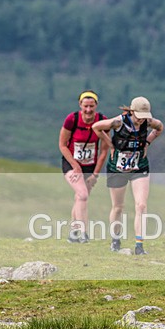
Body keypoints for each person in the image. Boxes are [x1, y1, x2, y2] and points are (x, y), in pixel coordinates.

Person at [93, 96, 164, 255]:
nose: (141, 120)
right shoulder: (118, 122)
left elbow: (159, 128)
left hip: (139, 166)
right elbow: (96, 127)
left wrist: (147, 142)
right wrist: (110, 144)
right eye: (139, 117)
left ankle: (139, 245)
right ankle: (115, 239)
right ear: (132, 111)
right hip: (117, 168)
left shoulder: (148, 121)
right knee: (118, 207)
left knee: (141, 205)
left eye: (144, 117)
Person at [59, 90, 108, 243]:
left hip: (90, 166)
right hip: (71, 163)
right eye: (85, 106)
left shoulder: (103, 121)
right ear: (80, 105)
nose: (88, 110)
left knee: (80, 198)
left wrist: (95, 174)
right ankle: (83, 233)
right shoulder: (71, 119)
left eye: (91, 106)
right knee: (83, 195)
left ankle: (73, 235)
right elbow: (62, 145)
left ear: (96, 106)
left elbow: (104, 150)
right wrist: (75, 165)